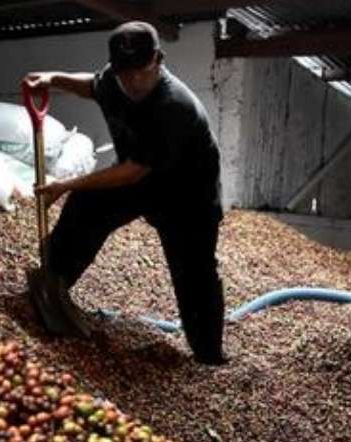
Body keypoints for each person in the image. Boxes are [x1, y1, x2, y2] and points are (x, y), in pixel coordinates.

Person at [22, 21, 227, 365]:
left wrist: (65, 184)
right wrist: (54, 79)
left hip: (187, 198)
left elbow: (132, 170)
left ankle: (209, 356)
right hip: (142, 182)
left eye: (140, 72)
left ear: (158, 60)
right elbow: (93, 86)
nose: (132, 81)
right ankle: (51, 284)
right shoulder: (115, 80)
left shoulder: (174, 106)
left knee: (195, 275)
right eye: (123, 73)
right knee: (87, 206)